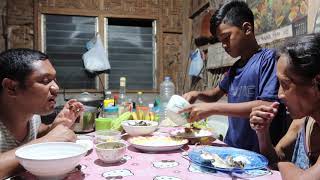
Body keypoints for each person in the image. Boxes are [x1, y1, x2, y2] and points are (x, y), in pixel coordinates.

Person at [180, 1, 288, 152]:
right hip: (233, 147)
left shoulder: (268, 60)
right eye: (221, 41)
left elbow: (267, 105)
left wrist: (213, 109)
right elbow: (215, 94)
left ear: (247, 28)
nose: (224, 45)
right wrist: (197, 94)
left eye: (226, 37)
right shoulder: (235, 68)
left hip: (259, 152)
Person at [0, 48, 84, 178]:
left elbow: (37, 130)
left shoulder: (33, 117)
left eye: (54, 80)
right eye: (45, 81)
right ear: (12, 87)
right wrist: (46, 141)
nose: (56, 88)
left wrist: (56, 127)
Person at [250, 33, 320, 179]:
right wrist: (262, 133)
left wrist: (285, 165)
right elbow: (274, 158)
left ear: (316, 83)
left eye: (285, 84)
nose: (279, 94)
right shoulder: (303, 122)